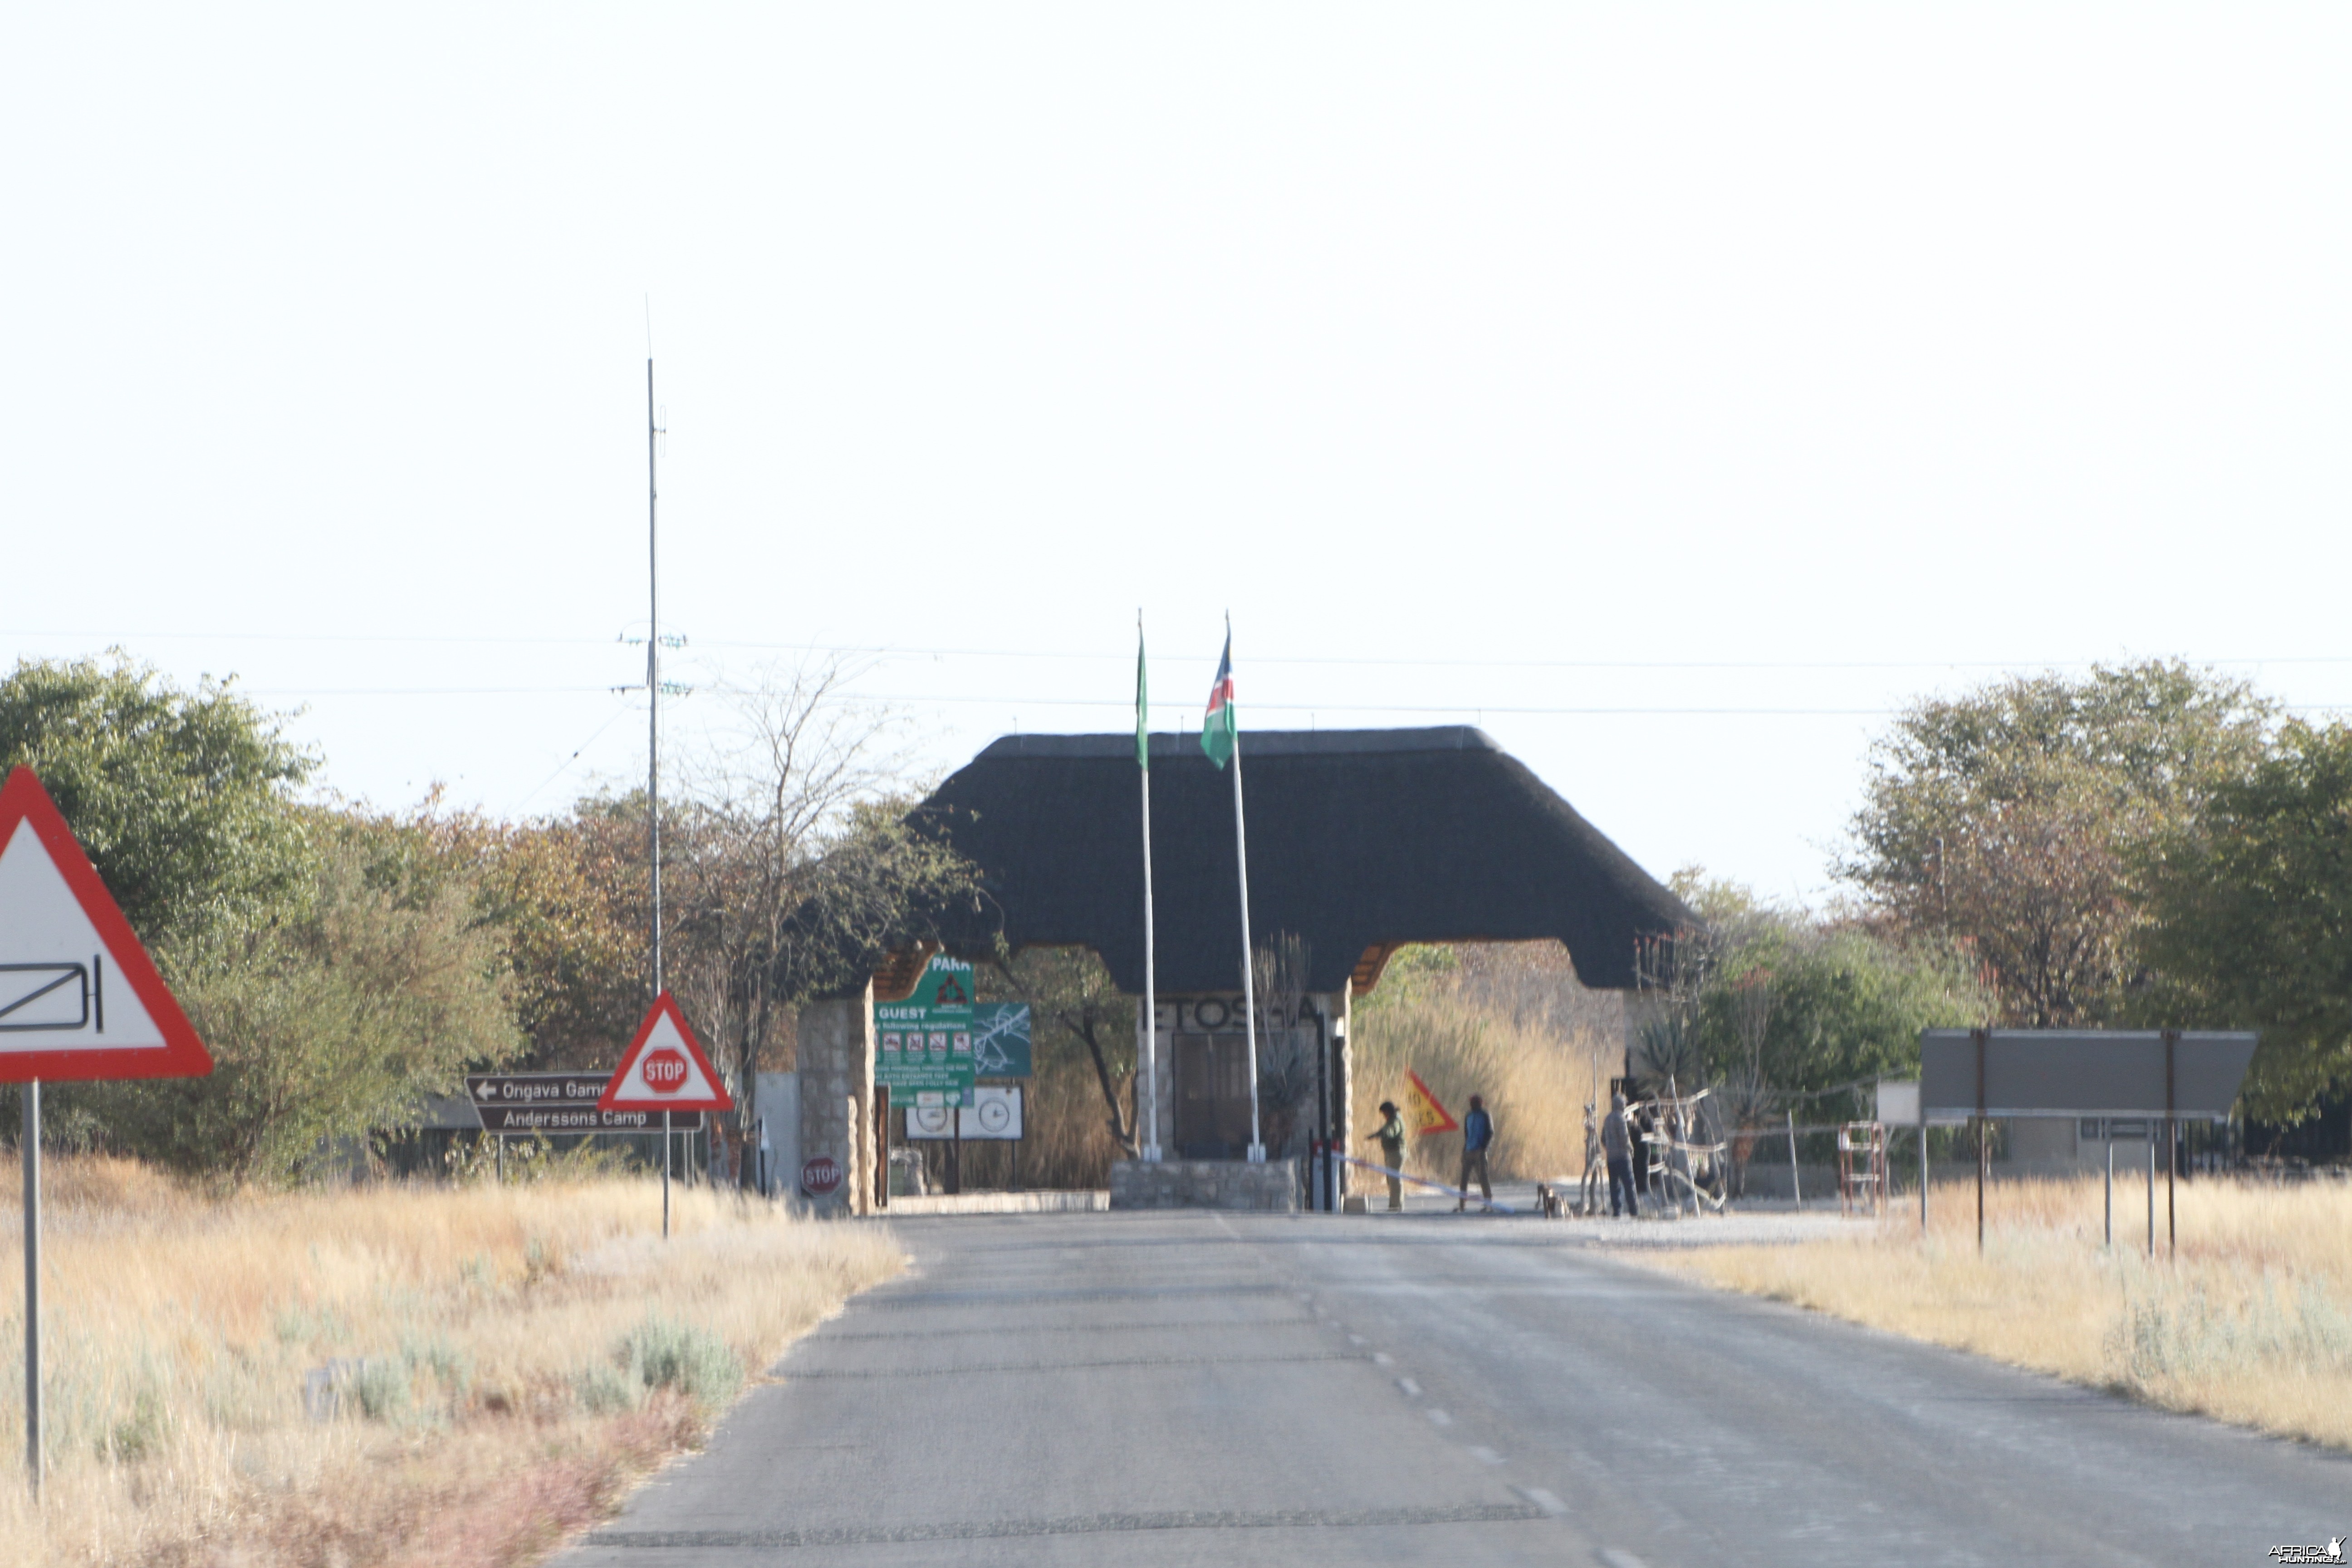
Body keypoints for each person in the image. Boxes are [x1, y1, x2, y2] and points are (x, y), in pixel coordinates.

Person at [1602, 1092, 1639, 1218]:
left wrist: (1610, 1148)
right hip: (1623, 1157)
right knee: (1629, 1184)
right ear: (1621, 1105)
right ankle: (1634, 1210)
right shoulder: (1621, 1118)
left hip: (1611, 1158)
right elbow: (1625, 1137)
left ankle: (1617, 1211)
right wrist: (1631, 1148)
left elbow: (1603, 1138)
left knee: (1614, 1185)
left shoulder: (1607, 1119)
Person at [1455, 1094, 1494, 1211]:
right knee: (1464, 1180)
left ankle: (1488, 1204)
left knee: (1483, 1178)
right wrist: (1464, 1150)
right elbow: (1467, 1135)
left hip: (1480, 1152)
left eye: (1475, 1103)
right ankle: (1462, 1205)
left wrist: (1484, 1148)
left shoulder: (1485, 1115)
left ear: (1481, 1104)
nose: (1473, 1105)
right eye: (1472, 1103)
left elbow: (1491, 1133)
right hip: (1468, 1150)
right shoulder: (1468, 1116)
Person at [1367, 1100, 1407, 1210]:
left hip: (1396, 1152)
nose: (1384, 1116)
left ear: (1389, 1112)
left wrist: (1384, 1135)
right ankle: (1394, 1204)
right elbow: (1383, 1130)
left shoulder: (1395, 1121)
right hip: (1391, 1152)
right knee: (1391, 1179)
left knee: (1395, 1179)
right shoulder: (1391, 1120)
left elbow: (1391, 1131)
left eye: (1384, 1113)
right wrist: (1375, 1135)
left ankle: (1397, 1205)